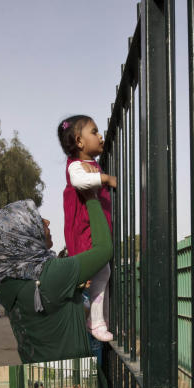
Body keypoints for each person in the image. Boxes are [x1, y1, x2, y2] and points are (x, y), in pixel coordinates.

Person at [0, 197, 112, 363]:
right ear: (24, 235)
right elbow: (104, 249)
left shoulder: (4, 281)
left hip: (37, 380)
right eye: (38, 221)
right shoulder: (50, 273)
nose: (47, 221)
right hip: (72, 383)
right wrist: (92, 197)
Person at [57, 115, 117, 342]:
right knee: (100, 274)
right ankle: (96, 321)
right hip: (85, 232)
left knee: (103, 273)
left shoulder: (89, 164)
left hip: (94, 231)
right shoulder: (75, 166)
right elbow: (79, 182)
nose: (100, 136)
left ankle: (98, 318)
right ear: (79, 142)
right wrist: (107, 179)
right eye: (94, 131)